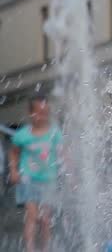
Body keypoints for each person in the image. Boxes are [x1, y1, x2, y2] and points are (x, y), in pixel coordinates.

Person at [9, 95, 62, 252]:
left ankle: (46, 248)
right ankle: (30, 248)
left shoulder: (54, 133)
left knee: (46, 219)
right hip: (28, 180)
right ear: (30, 113)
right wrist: (13, 170)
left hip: (49, 180)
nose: (41, 117)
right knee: (32, 216)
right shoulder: (22, 135)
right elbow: (13, 153)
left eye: (45, 113)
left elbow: (63, 154)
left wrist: (72, 175)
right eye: (38, 113)